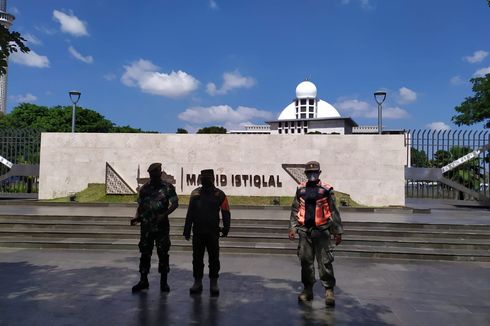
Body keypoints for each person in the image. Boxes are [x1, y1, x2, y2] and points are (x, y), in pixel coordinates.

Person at [288, 161, 343, 306]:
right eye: (309, 173)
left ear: (319, 173)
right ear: (306, 174)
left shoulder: (326, 189)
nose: (312, 175)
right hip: (305, 232)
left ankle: (329, 290)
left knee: (325, 262)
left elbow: (333, 210)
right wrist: (293, 228)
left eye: (314, 172)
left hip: (322, 231)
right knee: (306, 262)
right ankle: (307, 290)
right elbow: (295, 209)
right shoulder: (300, 189)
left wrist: (337, 232)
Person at [130, 163, 179, 293]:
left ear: (160, 172)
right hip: (146, 227)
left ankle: (164, 282)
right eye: (152, 173)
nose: (155, 175)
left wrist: (164, 214)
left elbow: (175, 203)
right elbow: (140, 206)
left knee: (163, 254)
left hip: (161, 227)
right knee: (145, 254)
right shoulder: (145, 188)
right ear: (150, 174)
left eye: (157, 172)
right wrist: (137, 217)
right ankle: (143, 280)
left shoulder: (167, 187)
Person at [183, 169, 231, 297]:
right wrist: (187, 229)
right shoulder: (195, 194)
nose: (206, 179)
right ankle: (197, 282)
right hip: (198, 232)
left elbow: (225, 212)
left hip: (212, 232)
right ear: (200, 178)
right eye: (204, 177)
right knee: (197, 259)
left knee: (214, 259)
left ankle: (213, 283)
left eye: (208, 177)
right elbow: (190, 213)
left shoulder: (220, 194)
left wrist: (226, 227)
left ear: (213, 178)